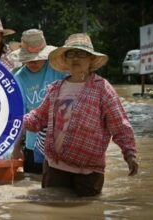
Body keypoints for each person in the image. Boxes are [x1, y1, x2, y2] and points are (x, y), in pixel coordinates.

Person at [22, 33, 138, 196]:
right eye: (71, 54)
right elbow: (37, 118)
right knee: (52, 209)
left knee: (87, 211)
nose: (76, 58)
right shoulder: (56, 88)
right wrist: (14, 121)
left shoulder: (103, 89)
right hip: (55, 167)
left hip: (88, 172)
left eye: (81, 53)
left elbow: (119, 124)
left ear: (91, 60)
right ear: (65, 60)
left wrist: (129, 153)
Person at [10, 29, 66, 174]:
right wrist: (16, 149)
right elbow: (19, 117)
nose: (33, 61)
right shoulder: (18, 78)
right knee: (35, 188)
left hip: (60, 142)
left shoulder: (58, 70)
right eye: (29, 58)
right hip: (32, 146)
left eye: (37, 58)